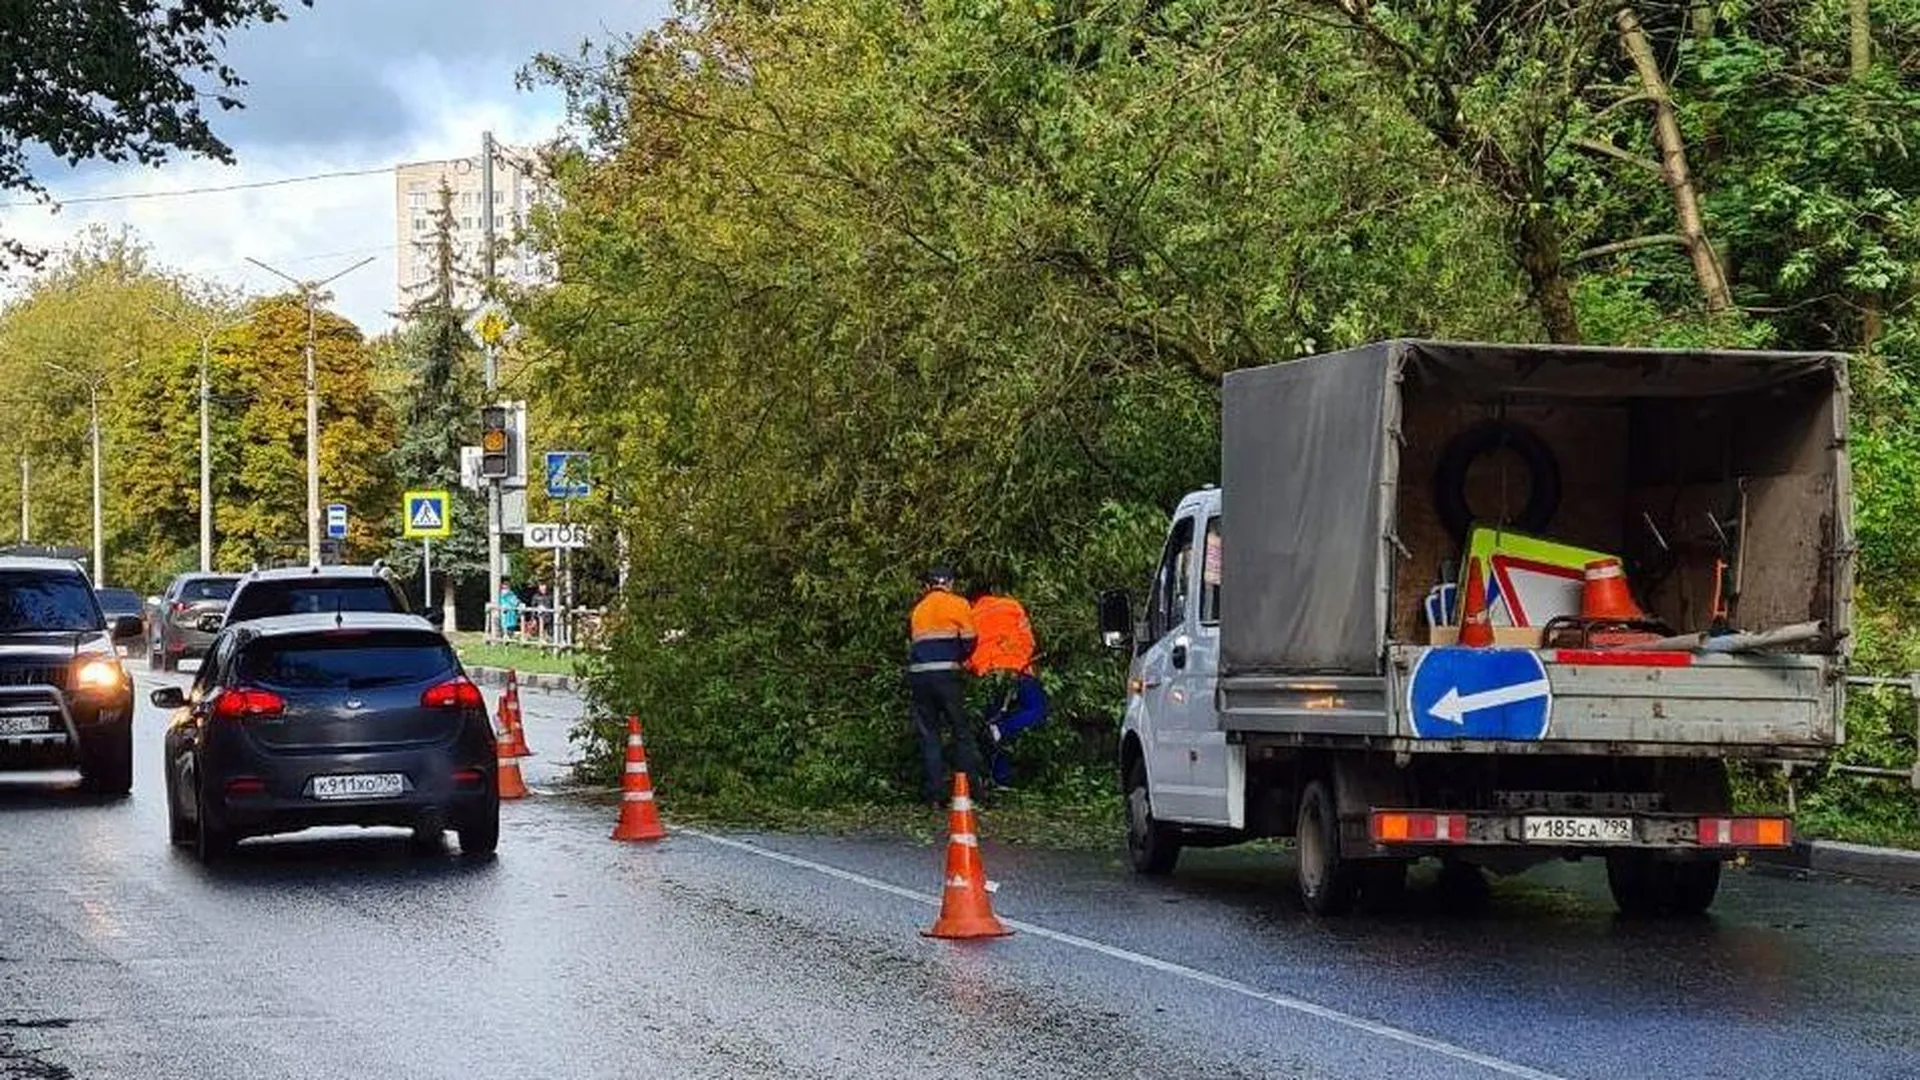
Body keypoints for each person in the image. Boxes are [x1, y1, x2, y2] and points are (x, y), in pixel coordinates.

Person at [907, 566, 981, 805]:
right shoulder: (958, 604)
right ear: (949, 583)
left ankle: (934, 796)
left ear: (928, 586)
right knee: (961, 732)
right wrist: (959, 657)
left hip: (919, 676)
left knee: (930, 735)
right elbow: (970, 640)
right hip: (947, 675)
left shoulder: (918, 610)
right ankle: (967, 790)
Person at [967, 585, 1047, 786]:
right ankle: (1002, 731)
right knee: (1036, 709)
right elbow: (1029, 640)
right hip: (1018, 669)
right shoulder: (1013, 606)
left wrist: (974, 668)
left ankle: (998, 777)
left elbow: (966, 650)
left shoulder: (970, 614)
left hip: (989, 674)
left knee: (991, 725)